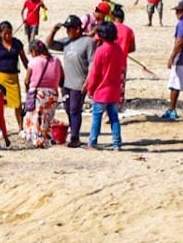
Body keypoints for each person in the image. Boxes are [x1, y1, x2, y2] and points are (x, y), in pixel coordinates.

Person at [47, 15, 93, 149]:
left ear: (77, 29)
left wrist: (87, 82)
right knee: (68, 109)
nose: (67, 31)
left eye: (69, 29)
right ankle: (73, 133)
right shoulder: (66, 42)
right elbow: (49, 44)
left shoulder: (88, 42)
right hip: (66, 83)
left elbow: (92, 64)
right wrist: (54, 30)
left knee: (75, 109)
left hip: (79, 83)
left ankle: (75, 137)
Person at [85, 20, 126, 150]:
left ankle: (93, 142)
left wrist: (90, 89)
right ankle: (117, 143)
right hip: (114, 90)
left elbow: (94, 73)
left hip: (101, 91)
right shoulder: (118, 49)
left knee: (96, 119)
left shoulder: (101, 51)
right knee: (114, 118)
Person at [0, 22, 26, 145]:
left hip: (13, 77)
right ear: (0, 33)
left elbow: (24, 60)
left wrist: (31, 72)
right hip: (0, 77)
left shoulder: (17, 43)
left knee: (18, 103)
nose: (8, 36)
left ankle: (21, 128)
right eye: (5, 33)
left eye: (10, 33)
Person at [23, 39, 63, 146]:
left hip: (39, 94)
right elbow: (62, 78)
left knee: (36, 117)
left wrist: (28, 90)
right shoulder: (56, 60)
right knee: (48, 117)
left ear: (34, 51)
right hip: (53, 93)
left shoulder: (34, 61)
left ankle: (37, 140)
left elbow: (27, 80)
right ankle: (47, 138)